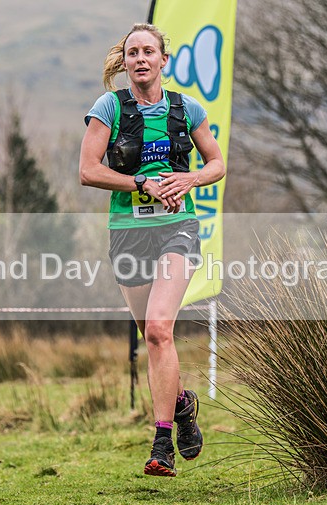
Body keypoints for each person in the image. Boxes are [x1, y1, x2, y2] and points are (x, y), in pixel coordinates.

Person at [79, 23, 225, 477]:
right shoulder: (110, 107)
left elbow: (217, 162)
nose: (141, 59)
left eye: (149, 51)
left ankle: (161, 442)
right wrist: (138, 181)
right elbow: (87, 171)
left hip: (176, 228)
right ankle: (182, 404)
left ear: (164, 60)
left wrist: (189, 179)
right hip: (127, 231)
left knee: (161, 329)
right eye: (133, 52)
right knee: (152, 336)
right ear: (124, 63)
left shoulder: (186, 108)